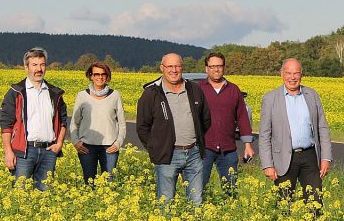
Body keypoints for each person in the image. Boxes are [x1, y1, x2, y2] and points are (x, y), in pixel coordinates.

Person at [136, 53, 212, 207]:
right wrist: (155, 148)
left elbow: (205, 119)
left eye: (177, 66)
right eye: (169, 66)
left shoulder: (194, 89)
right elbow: (143, 127)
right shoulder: (151, 93)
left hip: (193, 153)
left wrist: (197, 141)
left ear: (182, 68)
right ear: (162, 68)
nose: (174, 70)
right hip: (167, 155)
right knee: (166, 200)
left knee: (196, 200)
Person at [259, 58, 333, 206]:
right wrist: (267, 164)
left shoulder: (312, 95)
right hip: (284, 157)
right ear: (282, 74)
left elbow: (322, 127)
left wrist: (326, 158)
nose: (292, 78)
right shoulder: (270, 98)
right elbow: (265, 134)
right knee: (284, 203)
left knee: (315, 202)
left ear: (301, 75)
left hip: (310, 156)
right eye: (288, 73)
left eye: (296, 73)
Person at [0, 47, 68, 191]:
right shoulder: (16, 92)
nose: (39, 69)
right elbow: (6, 125)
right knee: (20, 193)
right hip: (24, 151)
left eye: (42, 65)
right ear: (26, 67)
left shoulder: (55, 93)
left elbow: (62, 121)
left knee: (45, 194)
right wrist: (8, 151)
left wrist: (59, 144)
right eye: (34, 65)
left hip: (49, 151)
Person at [199, 52, 254, 198]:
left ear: (224, 68)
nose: (216, 69)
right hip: (204, 148)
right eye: (212, 66)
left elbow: (242, 117)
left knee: (230, 190)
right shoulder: (198, 89)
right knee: (198, 188)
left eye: (219, 66)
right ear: (206, 69)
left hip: (228, 149)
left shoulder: (233, 90)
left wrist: (247, 144)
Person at [70, 61, 127, 184]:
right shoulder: (82, 96)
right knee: (89, 182)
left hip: (109, 147)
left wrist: (118, 143)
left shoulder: (115, 95)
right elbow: (74, 122)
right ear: (91, 76)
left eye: (103, 74)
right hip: (87, 146)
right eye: (96, 74)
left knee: (109, 183)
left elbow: (122, 123)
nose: (100, 77)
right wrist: (75, 142)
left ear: (107, 76)